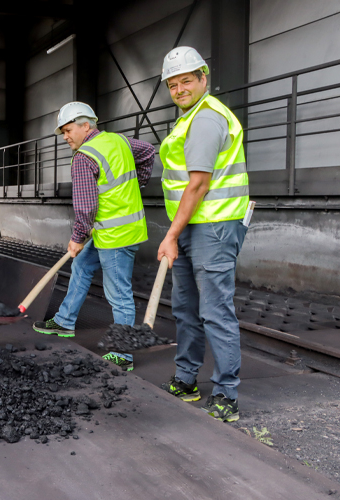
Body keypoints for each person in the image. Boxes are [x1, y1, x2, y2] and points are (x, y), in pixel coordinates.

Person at [155, 47, 250, 422]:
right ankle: (186, 379)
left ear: (203, 79)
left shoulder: (208, 119)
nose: (179, 89)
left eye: (186, 81)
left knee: (214, 311)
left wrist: (169, 235)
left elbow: (197, 184)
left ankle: (227, 394)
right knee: (185, 308)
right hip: (193, 226)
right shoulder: (188, 119)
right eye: (172, 84)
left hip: (213, 227)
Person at [33, 102, 155, 371]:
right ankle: (65, 321)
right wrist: (140, 180)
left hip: (114, 236)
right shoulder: (118, 141)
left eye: (68, 130)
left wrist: (77, 237)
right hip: (116, 230)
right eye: (63, 132)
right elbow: (147, 151)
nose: (65, 137)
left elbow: (86, 206)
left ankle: (123, 353)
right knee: (81, 266)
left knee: (119, 294)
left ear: (85, 125)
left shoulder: (84, 156)